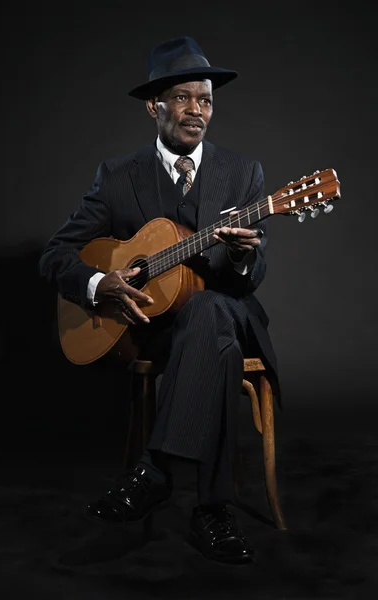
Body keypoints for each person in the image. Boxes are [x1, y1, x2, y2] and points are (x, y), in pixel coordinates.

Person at [39, 36, 279, 565]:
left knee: (212, 312)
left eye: (207, 99)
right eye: (184, 97)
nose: (198, 109)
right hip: (148, 325)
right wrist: (100, 285)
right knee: (213, 344)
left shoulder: (243, 173)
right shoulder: (118, 175)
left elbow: (253, 275)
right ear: (155, 106)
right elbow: (57, 253)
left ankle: (156, 473)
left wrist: (242, 256)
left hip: (226, 314)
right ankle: (213, 510)